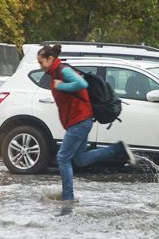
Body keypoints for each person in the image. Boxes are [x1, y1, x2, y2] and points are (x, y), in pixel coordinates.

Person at [37, 44, 134, 201]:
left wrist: (62, 85)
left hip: (80, 120)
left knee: (63, 158)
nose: (40, 66)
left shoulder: (63, 70)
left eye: (41, 62)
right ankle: (117, 149)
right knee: (79, 159)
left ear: (50, 59)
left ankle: (68, 196)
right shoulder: (56, 71)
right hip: (79, 120)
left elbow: (82, 84)